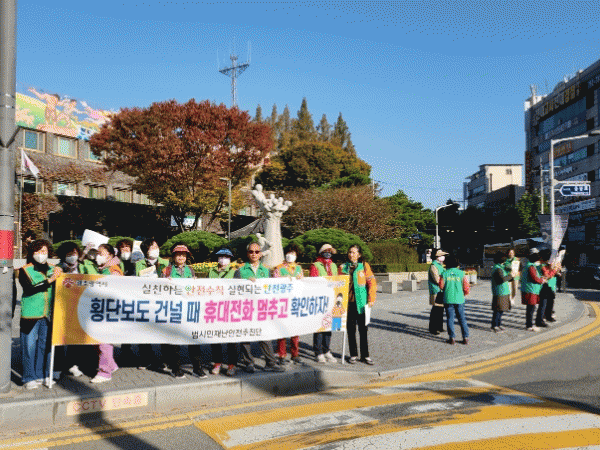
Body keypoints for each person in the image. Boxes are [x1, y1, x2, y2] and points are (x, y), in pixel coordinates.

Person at [235, 242, 285, 373]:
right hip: (245, 308)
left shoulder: (266, 270)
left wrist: (294, 279)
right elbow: (233, 290)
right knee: (245, 336)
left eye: (257, 252)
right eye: (251, 252)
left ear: (261, 254)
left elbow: (274, 288)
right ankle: (248, 363)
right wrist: (245, 283)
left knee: (265, 335)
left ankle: (270, 363)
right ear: (247, 254)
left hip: (262, 308)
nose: (254, 254)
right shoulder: (240, 270)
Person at [19, 240, 62, 389]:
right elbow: (29, 289)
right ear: (31, 253)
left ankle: (42, 374)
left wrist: (59, 274)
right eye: (37, 251)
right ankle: (28, 377)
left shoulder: (54, 268)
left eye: (44, 251)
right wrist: (50, 280)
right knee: (29, 347)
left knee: (45, 346)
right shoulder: (25, 270)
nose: (41, 254)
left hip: (48, 314)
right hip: (30, 314)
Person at [86, 243, 123, 382]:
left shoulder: (113, 270)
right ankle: (111, 365)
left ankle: (105, 372)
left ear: (110, 255)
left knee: (104, 342)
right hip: (101, 309)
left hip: (108, 311)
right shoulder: (103, 269)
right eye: (97, 253)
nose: (98, 256)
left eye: (101, 253)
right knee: (97, 340)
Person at [160, 243, 198, 378]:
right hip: (172, 309)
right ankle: (175, 367)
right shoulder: (166, 270)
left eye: (183, 255)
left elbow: (194, 290)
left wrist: (196, 282)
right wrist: (165, 282)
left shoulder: (191, 270)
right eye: (178, 254)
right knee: (174, 341)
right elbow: (159, 289)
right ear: (173, 256)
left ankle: (197, 367)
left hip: (187, 309)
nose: (181, 257)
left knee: (192, 338)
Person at [339, 244, 376, 364]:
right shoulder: (343, 267)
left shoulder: (364, 266)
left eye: (354, 252)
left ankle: (365, 355)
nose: (351, 254)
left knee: (363, 330)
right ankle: (353, 354)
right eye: (350, 252)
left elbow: (372, 283)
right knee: (351, 330)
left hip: (362, 303)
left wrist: (371, 299)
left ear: (359, 254)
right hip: (348, 303)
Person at [135, 238, 169, 370]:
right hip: (146, 302)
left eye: (156, 246)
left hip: (162, 302)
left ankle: (165, 359)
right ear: (145, 250)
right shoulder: (139, 264)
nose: (155, 249)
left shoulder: (166, 262)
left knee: (163, 332)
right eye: (151, 247)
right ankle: (146, 359)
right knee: (144, 332)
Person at [56, 242, 88, 377]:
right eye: (69, 254)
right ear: (63, 255)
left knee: (75, 338)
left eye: (74, 253)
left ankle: (73, 364)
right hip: (61, 307)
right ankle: (57, 366)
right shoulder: (58, 268)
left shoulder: (83, 267)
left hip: (79, 307)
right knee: (59, 338)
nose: (72, 256)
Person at [207, 248, 238, 376]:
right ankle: (217, 363)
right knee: (215, 337)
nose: (223, 259)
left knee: (231, 339)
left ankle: (231, 365)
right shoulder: (211, 271)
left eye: (226, 257)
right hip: (214, 308)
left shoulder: (235, 271)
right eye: (221, 256)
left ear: (230, 258)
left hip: (230, 308)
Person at [273, 243, 304, 365]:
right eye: (288, 253)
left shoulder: (299, 268)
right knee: (282, 329)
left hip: (295, 303)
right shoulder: (279, 268)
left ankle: (295, 354)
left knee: (295, 330)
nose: (290, 255)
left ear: (296, 255)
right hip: (282, 303)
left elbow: (303, 285)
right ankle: (281, 353)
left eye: (293, 253)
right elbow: (275, 285)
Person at [309, 243, 338, 363]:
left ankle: (326, 350)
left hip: (332, 298)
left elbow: (338, 280)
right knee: (319, 326)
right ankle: (318, 351)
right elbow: (313, 282)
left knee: (329, 325)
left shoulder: (334, 265)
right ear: (321, 252)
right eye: (326, 251)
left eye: (330, 252)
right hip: (320, 300)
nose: (328, 253)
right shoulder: (315, 265)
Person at [438, 254, 470, 345]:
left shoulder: (444, 273)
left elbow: (441, 286)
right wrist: (464, 294)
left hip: (448, 299)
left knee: (450, 319)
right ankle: (465, 337)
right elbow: (466, 287)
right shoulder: (461, 273)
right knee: (462, 318)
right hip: (459, 299)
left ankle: (452, 338)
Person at [520, 248, 547, 332]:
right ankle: (529, 325)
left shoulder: (530, 265)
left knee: (531, 308)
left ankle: (529, 324)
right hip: (530, 289)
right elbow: (534, 278)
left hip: (530, 289)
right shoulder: (531, 267)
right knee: (531, 309)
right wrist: (542, 280)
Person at [491, 252, 513, 332]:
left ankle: (499, 324)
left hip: (503, 292)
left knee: (501, 309)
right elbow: (502, 279)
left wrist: (512, 274)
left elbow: (508, 278)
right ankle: (494, 325)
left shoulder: (502, 267)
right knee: (497, 310)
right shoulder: (497, 268)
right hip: (499, 292)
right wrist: (511, 275)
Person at [428, 249, 447, 335]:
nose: (443, 257)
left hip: (441, 290)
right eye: (441, 255)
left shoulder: (440, 265)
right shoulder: (433, 266)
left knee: (440, 309)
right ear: (436, 257)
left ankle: (439, 326)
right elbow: (437, 279)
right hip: (436, 290)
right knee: (436, 310)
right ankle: (433, 328)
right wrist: (445, 283)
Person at [539, 249, 559, 326]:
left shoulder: (549, 265)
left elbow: (554, 273)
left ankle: (549, 316)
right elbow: (548, 275)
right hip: (545, 286)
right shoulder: (542, 266)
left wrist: (557, 269)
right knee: (543, 304)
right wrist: (554, 269)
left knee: (551, 302)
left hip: (552, 285)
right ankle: (541, 318)